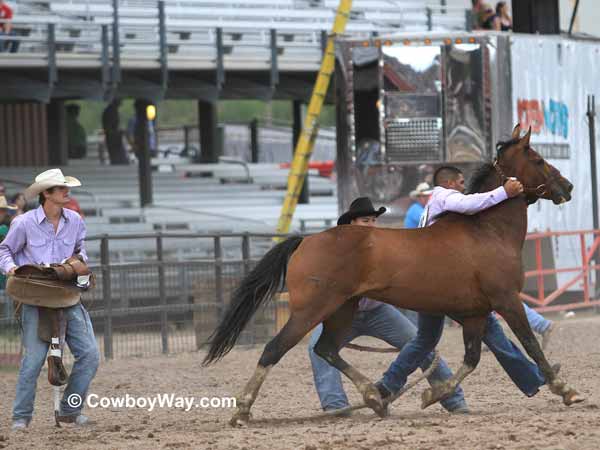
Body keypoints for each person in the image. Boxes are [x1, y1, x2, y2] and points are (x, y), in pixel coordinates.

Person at [375, 166, 556, 403]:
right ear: (449, 183)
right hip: (447, 283)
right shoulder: (444, 196)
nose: (464, 186)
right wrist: (504, 192)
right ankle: (535, 376)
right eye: (460, 182)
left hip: (434, 281)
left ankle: (387, 385)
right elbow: (471, 204)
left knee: (425, 340)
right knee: (491, 330)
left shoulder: (433, 204)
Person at [308, 197, 469, 415]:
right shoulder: (335, 249)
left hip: (378, 311)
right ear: (352, 224)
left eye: (374, 220)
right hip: (340, 314)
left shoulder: (382, 246)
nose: (372, 225)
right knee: (316, 349)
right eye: (366, 220)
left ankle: (454, 399)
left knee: (421, 345)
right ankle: (336, 405)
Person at [0, 169, 99, 430]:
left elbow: (81, 251)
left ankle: (70, 409)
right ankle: (21, 417)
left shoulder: (76, 221)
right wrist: (10, 267)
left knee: (90, 355)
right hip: (35, 294)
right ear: (46, 193)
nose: (67, 192)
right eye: (60, 188)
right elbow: (5, 250)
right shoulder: (23, 223)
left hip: (66, 294)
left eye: (66, 188)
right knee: (32, 361)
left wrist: (79, 265)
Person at [102, 100, 129, 165]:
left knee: (119, 159)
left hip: (114, 138)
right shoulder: (110, 111)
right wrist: (118, 132)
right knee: (119, 160)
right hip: (113, 139)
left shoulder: (111, 110)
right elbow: (109, 128)